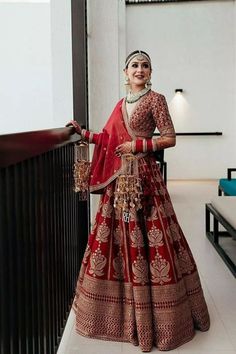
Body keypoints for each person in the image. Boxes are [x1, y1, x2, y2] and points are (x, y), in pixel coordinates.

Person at [68, 50, 210, 352]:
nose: (140, 69)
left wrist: (138, 144)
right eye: (135, 65)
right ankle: (115, 312)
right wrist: (83, 132)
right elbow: (108, 139)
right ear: (125, 72)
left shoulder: (156, 99)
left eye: (145, 65)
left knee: (151, 237)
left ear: (150, 72)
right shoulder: (121, 104)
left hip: (144, 177)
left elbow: (170, 137)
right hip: (120, 181)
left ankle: (158, 315)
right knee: (114, 239)